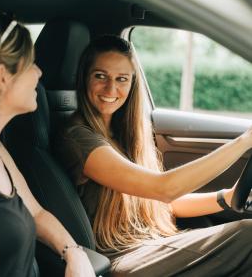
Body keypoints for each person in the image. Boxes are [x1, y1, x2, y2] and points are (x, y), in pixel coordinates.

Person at [55, 35, 252, 276]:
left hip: (149, 242)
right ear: (84, 77)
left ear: (132, 83)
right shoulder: (78, 139)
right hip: (121, 255)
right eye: (100, 76)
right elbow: (164, 189)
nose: (111, 88)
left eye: (122, 79)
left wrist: (227, 197)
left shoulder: (122, 134)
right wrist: (245, 141)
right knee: (247, 235)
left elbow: (162, 204)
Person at [0, 10, 96, 277]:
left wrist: (73, 252)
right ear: (2, 76)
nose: (39, 72)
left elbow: (37, 214)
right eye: (31, 63)